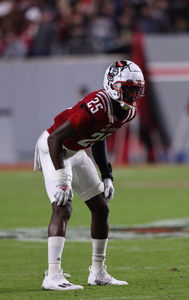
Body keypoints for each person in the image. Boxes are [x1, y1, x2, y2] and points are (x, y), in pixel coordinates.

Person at [34, 60, 145, 290]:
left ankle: (98, 273)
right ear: (114, 85)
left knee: (101, 208)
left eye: (137, 90)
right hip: (55, 148)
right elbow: (55, 138)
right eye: (130, 89)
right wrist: (63, 180)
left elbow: (100, 134)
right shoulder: (97, 103)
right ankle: (52, 275)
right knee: (62, 207)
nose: (134, 96)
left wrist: (107, 174)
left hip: (76, 151)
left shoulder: (126, 112)